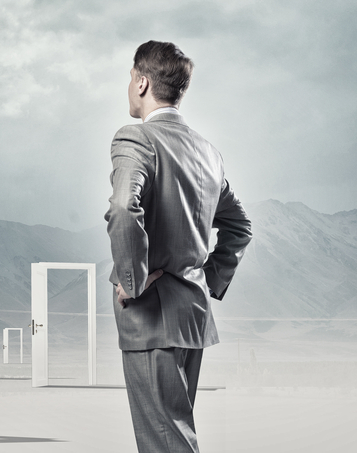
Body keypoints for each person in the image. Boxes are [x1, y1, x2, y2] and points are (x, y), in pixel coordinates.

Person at [106, 40, 252, 452]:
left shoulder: (136, 139)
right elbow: (239, 226)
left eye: (128, 79)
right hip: (192, 317)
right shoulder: (208, 152)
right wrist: (205, 279)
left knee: (165, 443)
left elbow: (122, 206)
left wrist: (133, 282)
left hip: (152, 320)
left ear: (141, 81)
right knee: (175, 433)